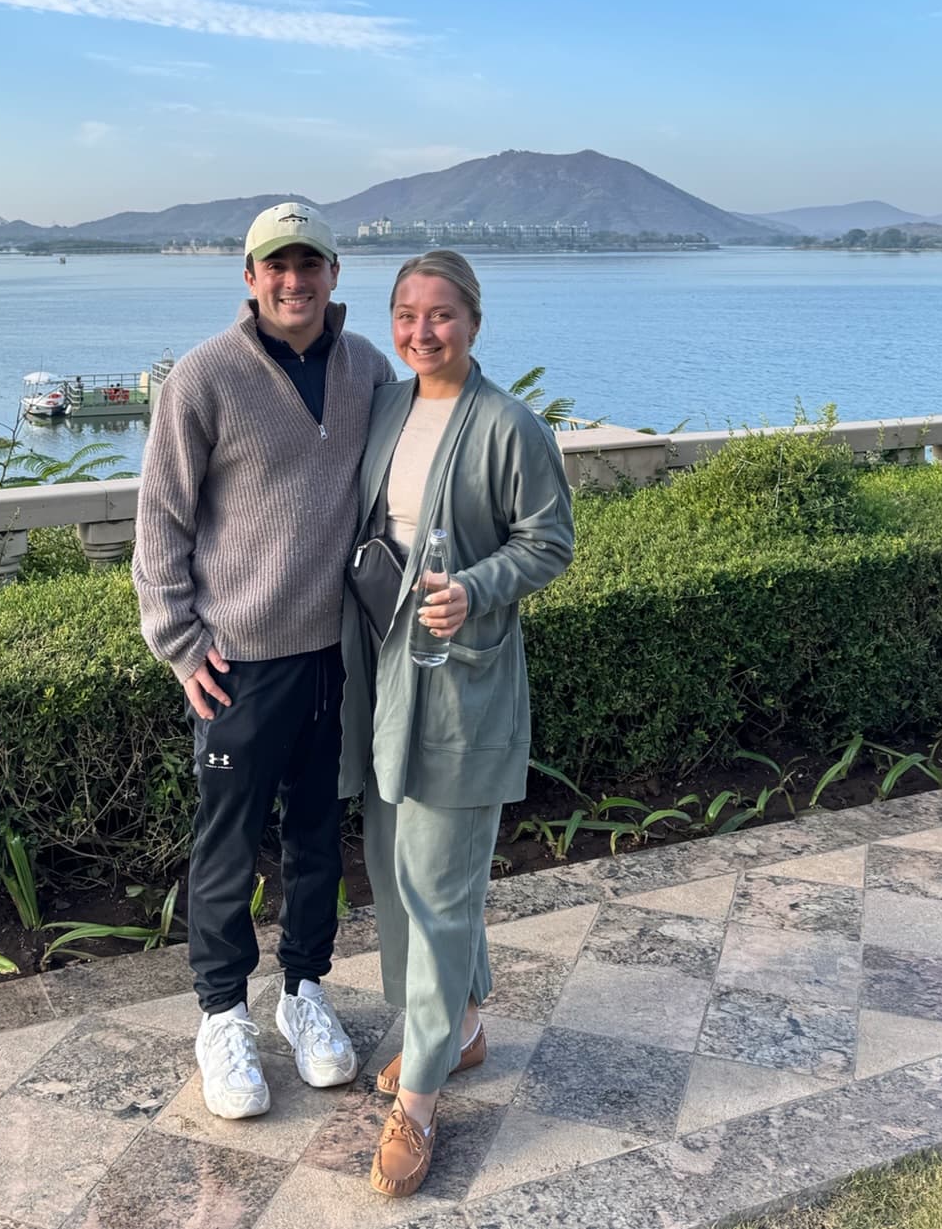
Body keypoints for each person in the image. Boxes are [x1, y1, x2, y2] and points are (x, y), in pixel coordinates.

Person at [134, 202, 395, 1120]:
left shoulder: (368, 368)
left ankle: (305, 993)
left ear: (333, 273)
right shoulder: (204, 378)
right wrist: (176, 638)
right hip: (237, 661)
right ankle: (220, 1015)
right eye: (275, 266)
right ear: (249, 278)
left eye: (309, 263)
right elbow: (160, 516)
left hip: (333, 652)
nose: (294, 281)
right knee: (228, 844)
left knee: (319, 836)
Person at [339, 250, 574, 1199]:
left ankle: (423, 1097)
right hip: (383, 672)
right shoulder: (389, 407)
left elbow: (548, 540)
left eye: (440, 315)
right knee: (401, 865)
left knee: (437, 886)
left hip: (460, 675)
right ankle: (464, 1028)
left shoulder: (510, 426)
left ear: (473, 321)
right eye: (405, 313)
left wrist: (475, 590)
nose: (420, 331)